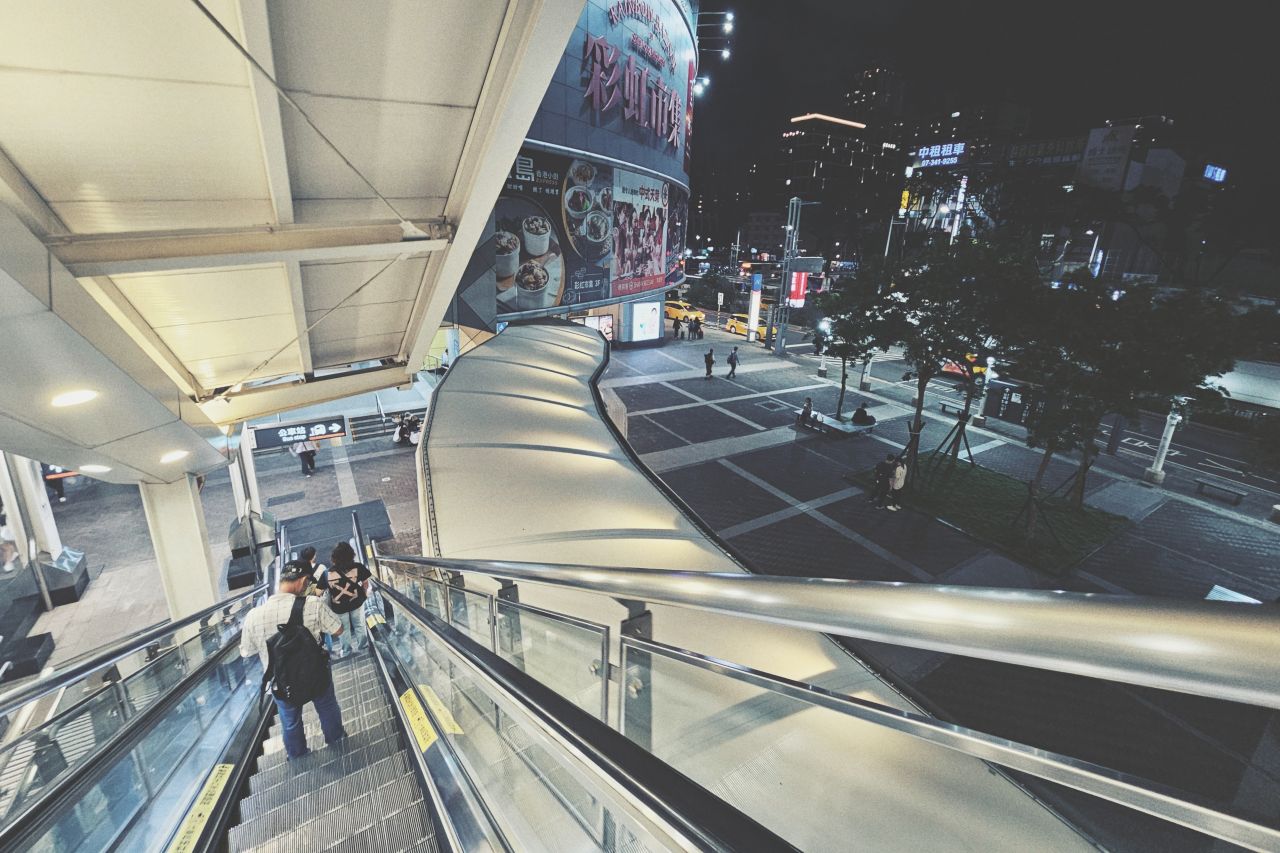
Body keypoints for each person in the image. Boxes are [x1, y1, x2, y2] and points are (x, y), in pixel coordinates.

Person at [241, 560, 346, 760]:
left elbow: (247, 651)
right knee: (327, 707)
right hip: (316, 674)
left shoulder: (253, 616)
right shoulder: (313, 604)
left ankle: (297, 756)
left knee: (290, 721)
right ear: (304, 581)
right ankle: (338, 741)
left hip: (281, 681)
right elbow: (338, 630)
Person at [319, 542, 372, 658]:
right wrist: (364, 594)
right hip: (356, 602)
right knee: (359, 625)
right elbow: (365, 583)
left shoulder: (327, 573)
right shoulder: (358, 567)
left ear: (334, 557)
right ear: (351, 555)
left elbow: (318, 592)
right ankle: (363, 646)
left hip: (339, 607)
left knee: (344, 629)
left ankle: (347, 651)